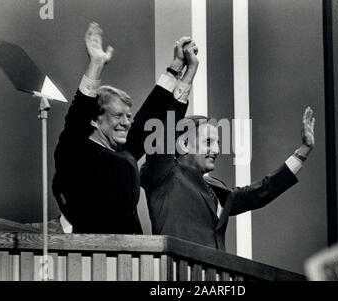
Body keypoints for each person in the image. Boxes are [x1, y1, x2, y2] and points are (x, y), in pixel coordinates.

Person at [52, 22, 199, 234]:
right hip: (91, 258)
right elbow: (78, 113)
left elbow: (151, 116)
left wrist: (181, 68)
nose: (126, 122)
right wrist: (96, 64)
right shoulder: (75, 151)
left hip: (132, 257)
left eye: (128, 116)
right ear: (94, 119)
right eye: (118, 116)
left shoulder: (123, 151)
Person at [141, 102, 315, 250]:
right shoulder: (163, 175)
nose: (216, 150)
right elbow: (163, 138)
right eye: (208, 142)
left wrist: (303, 151)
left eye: (218, 143)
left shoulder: (216, 189)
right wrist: (183, 82)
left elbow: (262, 190)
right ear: (184, 143)